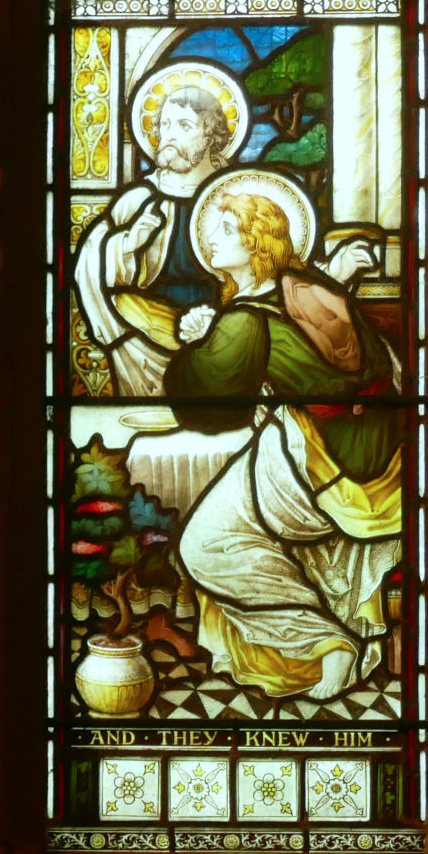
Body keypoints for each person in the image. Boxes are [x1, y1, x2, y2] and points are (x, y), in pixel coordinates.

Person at [166, 185, 401, 699]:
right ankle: (324, 641)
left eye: (227, 228)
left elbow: (204, 404)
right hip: (375, 449)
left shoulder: (246, 320)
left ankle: (327, 644)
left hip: (322, 463)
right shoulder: (306, 287)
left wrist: (195, 345)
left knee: (206, 544)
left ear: (258, 242)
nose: (211, 238)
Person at [75, 78, 238, 396]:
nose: (169, 135)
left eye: (184, 125)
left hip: (224, 329)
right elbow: (90, 264)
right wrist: (127, 244)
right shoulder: (138, 199)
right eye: (165, 125)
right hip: (144, 340)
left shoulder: (235, 196)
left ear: (210, 136)